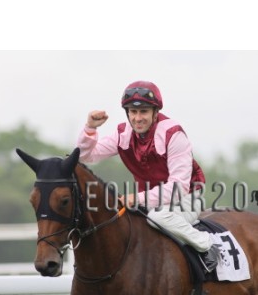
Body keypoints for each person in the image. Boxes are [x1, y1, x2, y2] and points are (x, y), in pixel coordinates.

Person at [76, 80, 221, 272]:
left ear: (155, 112)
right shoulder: (123, 134)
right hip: (150, 201)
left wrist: (136, 198)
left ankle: (207, 245)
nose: (137, 118)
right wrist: (90, 128)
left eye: (143, 111)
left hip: (186, 197)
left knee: (158, 217)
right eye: (133, 112)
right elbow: (85, 156)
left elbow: (178, 189)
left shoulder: (173, 134)